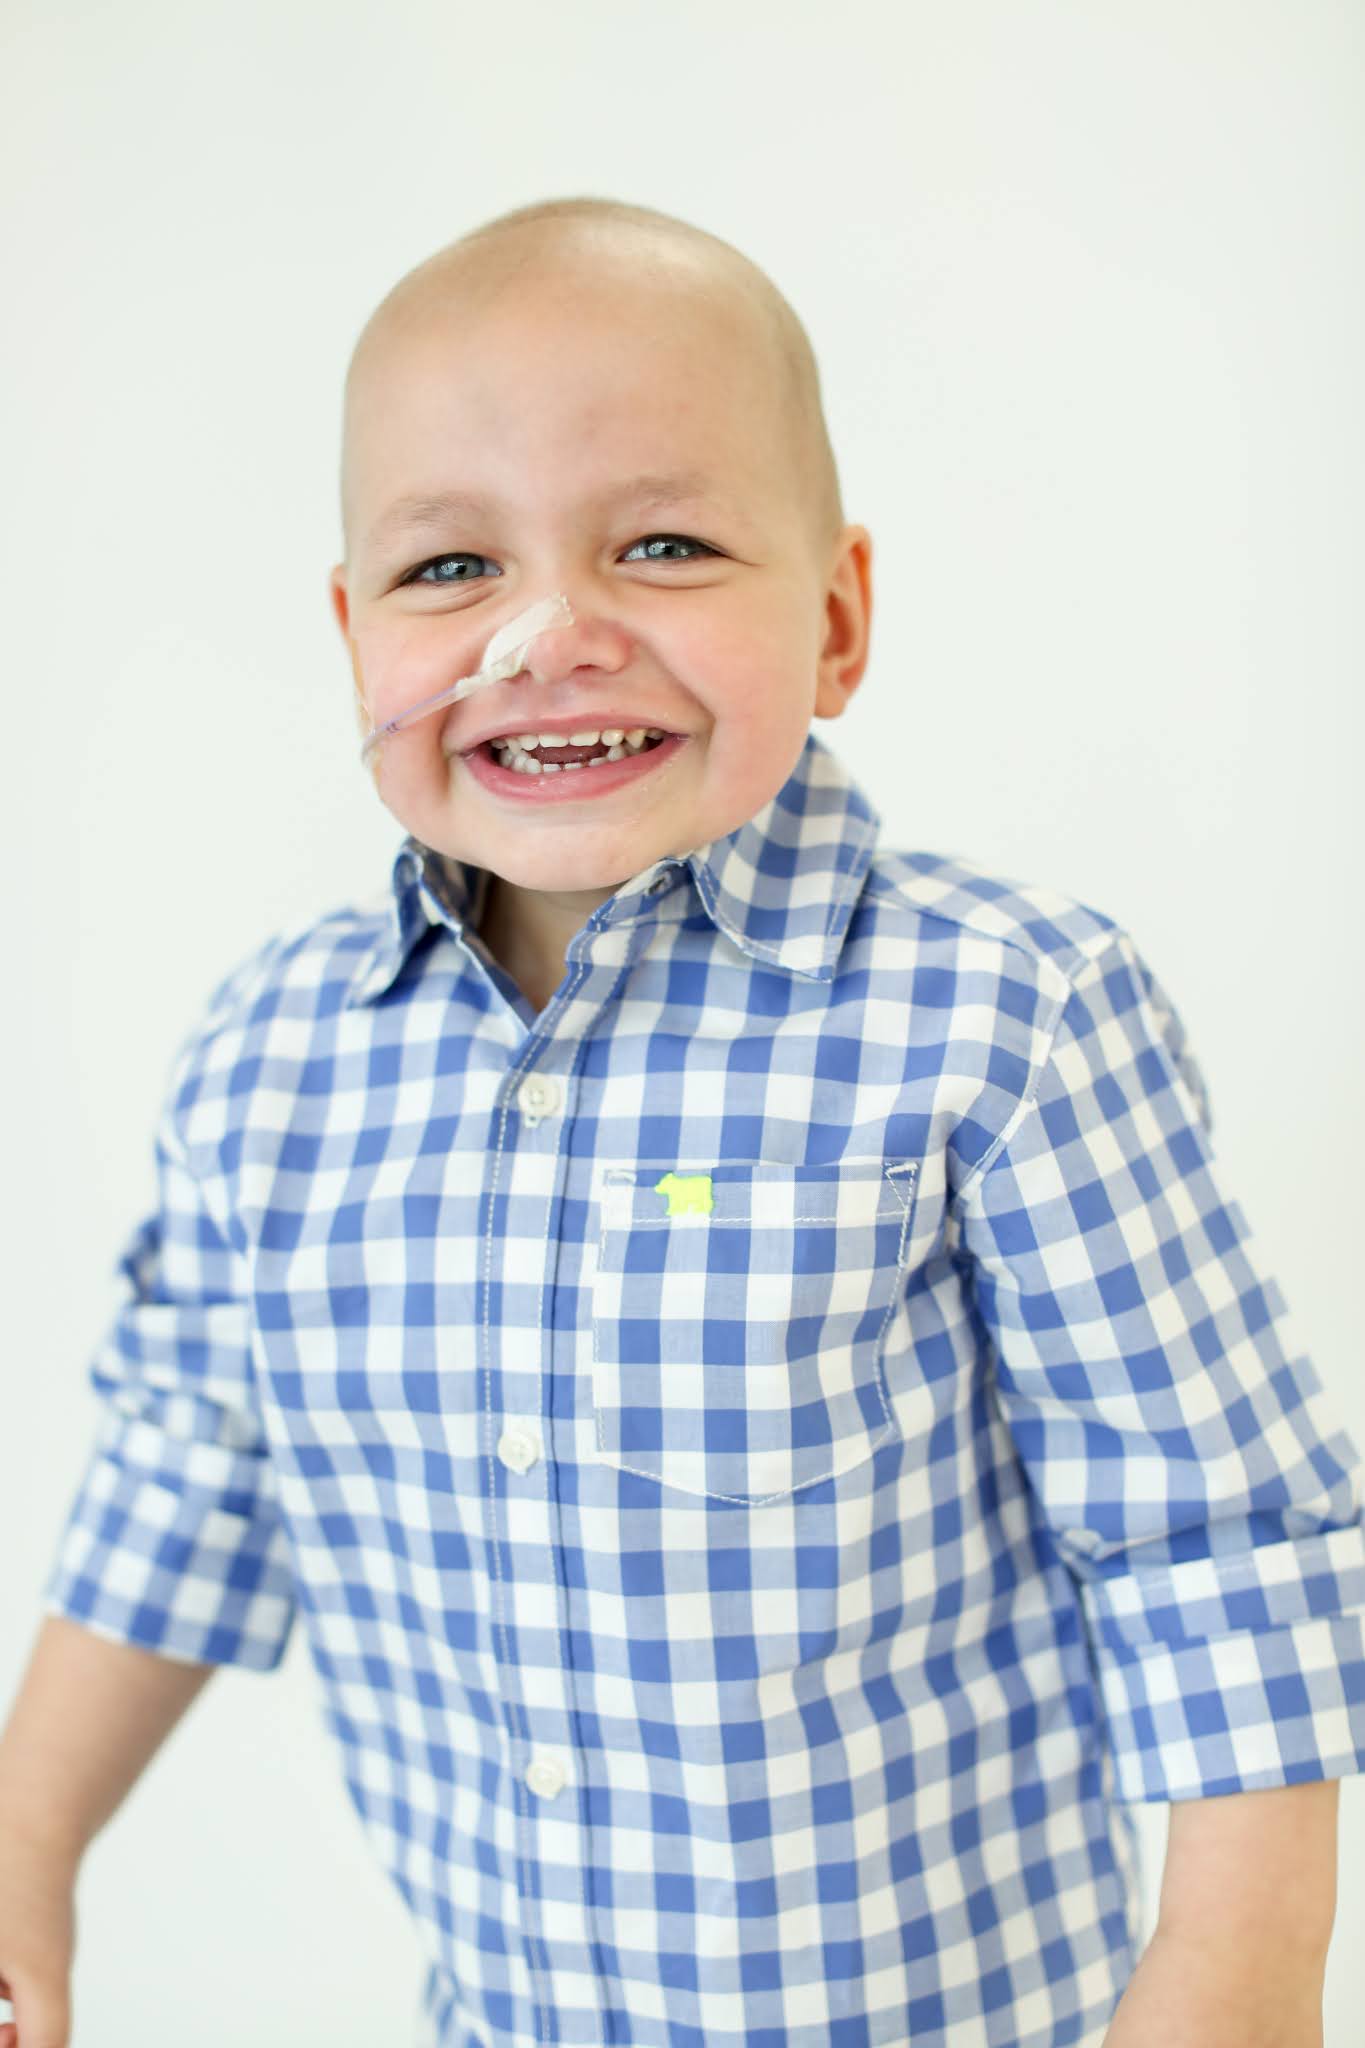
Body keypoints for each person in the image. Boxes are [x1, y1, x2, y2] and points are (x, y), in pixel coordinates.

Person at [1, 195, 1360, 2048]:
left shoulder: (1003, 1014)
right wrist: (25, 1853)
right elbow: (180, 1480)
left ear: (836, 618)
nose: (547, 634)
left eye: (661, 544)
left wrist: (1235, 1975)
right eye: (448, 568)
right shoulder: (272, 1063)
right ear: (351, 636)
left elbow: (1217, 1545)